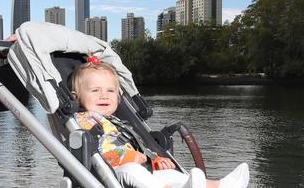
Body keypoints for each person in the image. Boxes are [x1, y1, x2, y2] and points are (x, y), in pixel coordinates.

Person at [70, 59, 250, 188]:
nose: (104, 95)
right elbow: (98, 151)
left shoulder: (119, 123)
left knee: (170, 173)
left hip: (140, 169)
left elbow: (137, 150)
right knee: (134, 170)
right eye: (95, 90)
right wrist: (132, 159)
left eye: (110, 90)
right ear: (77, 97)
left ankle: (218, 185)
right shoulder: (85, 120)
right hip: (112, 173)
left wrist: (154, 160)